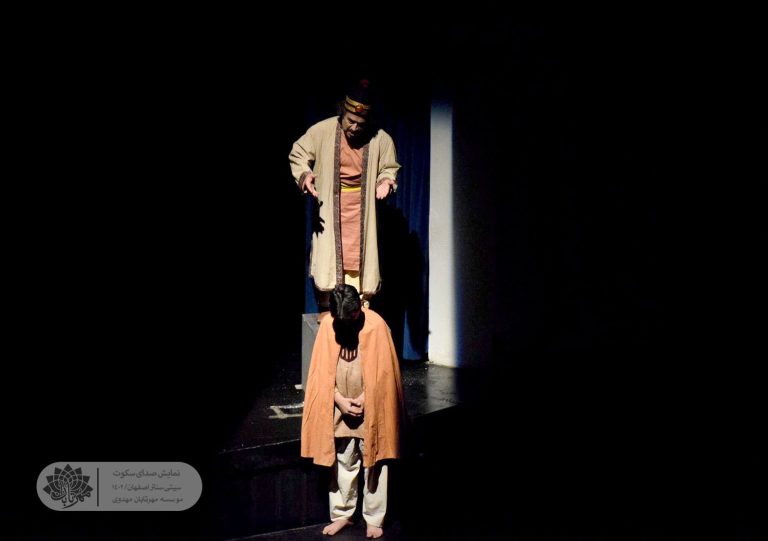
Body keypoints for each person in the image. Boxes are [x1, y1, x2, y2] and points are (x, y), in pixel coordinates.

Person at [301, 283, 405, 538]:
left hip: (371, 404)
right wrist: (339, 399)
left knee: (375, 459)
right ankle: (343, 514)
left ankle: (374, 517)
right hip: (340, 406)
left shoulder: (376, 325)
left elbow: (385, 373)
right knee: (343, 458)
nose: (347, 323)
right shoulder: (329, 325)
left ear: (359, 309)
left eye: (352, 317)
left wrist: (367, 397)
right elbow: (321, 372)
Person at [289, 79, 400, 308]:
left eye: (361, 123)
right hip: (332, 210)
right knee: (330, 264)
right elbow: (298, 153)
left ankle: (359, 314)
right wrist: (305, 174)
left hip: (362, 212)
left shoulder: (381, 139)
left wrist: (386, 180)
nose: (355, 128)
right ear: (342, 112)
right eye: (351, 121)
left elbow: (389, 167)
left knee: (360, 263)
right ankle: (329, 317)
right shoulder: (322, 130)